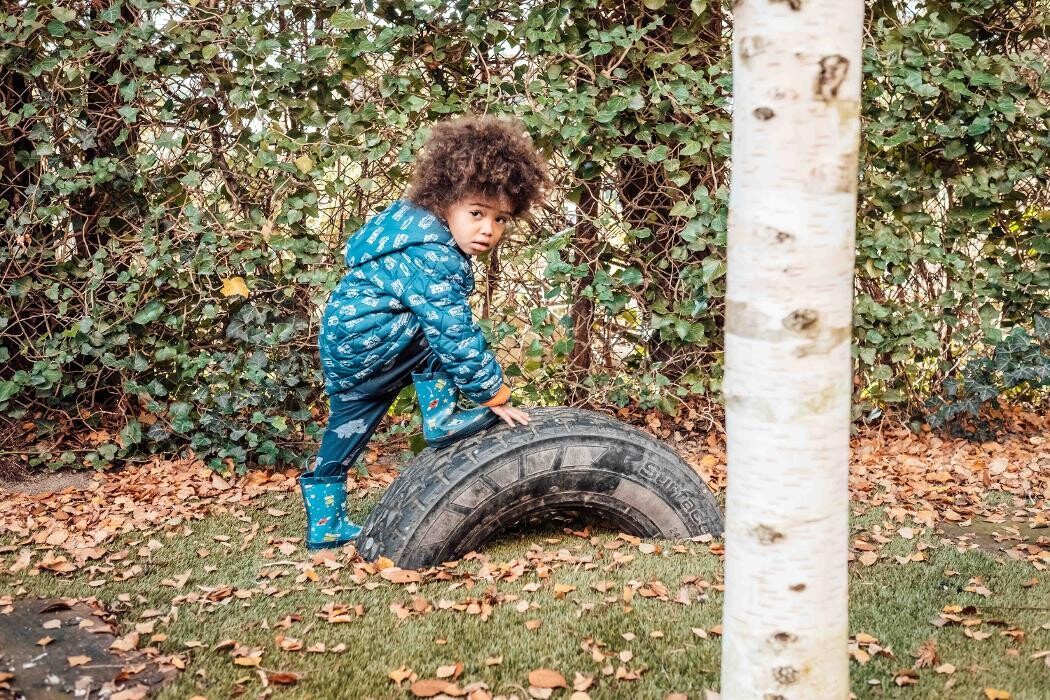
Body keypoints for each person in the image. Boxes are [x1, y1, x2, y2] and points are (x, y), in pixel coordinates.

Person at [299, 115, 551, 549]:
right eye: (476, 213)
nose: (488, 230)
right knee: (444, 330)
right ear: (444, 201)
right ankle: (439, 418)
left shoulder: (408, 232)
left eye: (501, 219)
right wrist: (493, 393)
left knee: (348, 426)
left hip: (351, 345)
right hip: (374, 341)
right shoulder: (431, 253)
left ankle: (325, 524)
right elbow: (451, 330)